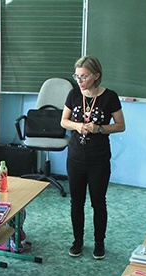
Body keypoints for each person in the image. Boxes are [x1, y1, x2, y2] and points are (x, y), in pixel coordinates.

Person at [61, 55, 126, 260]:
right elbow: (64, 121)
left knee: (98, 202)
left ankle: (99, 242)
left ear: (96, 76)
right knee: (76, 202)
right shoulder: (73, 94)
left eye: (84, 76)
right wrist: (77, 125)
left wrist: (99, 128)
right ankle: (78, 241)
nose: (79, 81)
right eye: (77, 76)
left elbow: (120, 125)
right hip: (75, 157)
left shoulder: (110, 97)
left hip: (98, 159)